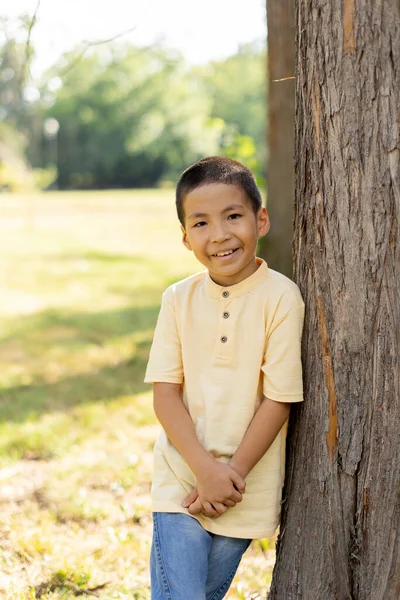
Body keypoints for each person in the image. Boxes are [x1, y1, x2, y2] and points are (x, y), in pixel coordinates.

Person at [144, 156, 304, 600]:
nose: (219, 235)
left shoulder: (282, 298)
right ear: (185, 237)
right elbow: (165, 395)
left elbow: (279, 398)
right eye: (200, 223)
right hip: (181, 479)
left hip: (243, 488)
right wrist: (202, 469)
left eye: (233, 216)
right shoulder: (178, 299)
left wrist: (230, 475)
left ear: (261, 219)